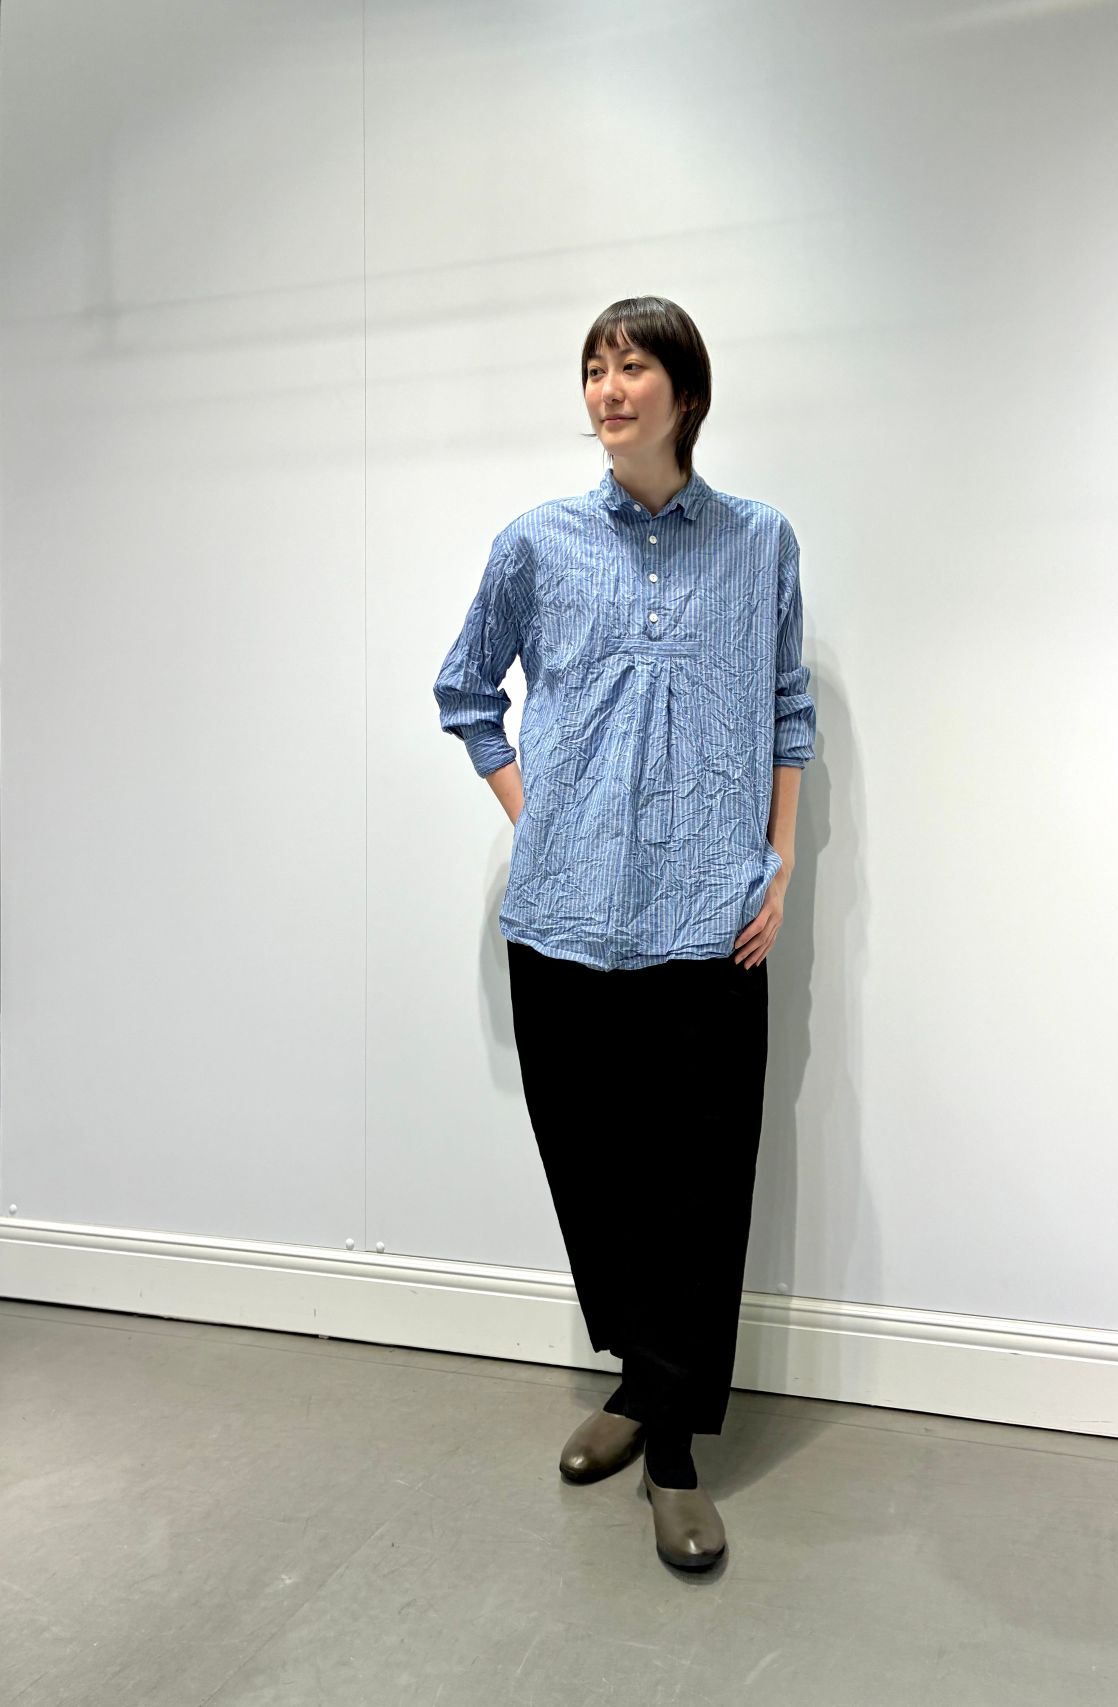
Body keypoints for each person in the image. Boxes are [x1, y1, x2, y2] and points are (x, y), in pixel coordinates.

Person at [433, 295, 816, 1571]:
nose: (607, 387)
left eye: (632, 365)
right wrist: (537, 816)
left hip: (710, 920)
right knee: (593, 1175)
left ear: (683, 393)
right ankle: (643, 1379)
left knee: (698, 1186)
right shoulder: (535, 544)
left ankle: (672, 1447)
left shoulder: (759, 542)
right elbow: (464, 692)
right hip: (563, 919)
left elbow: (788, 709)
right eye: (594, 367)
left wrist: (777, 863)